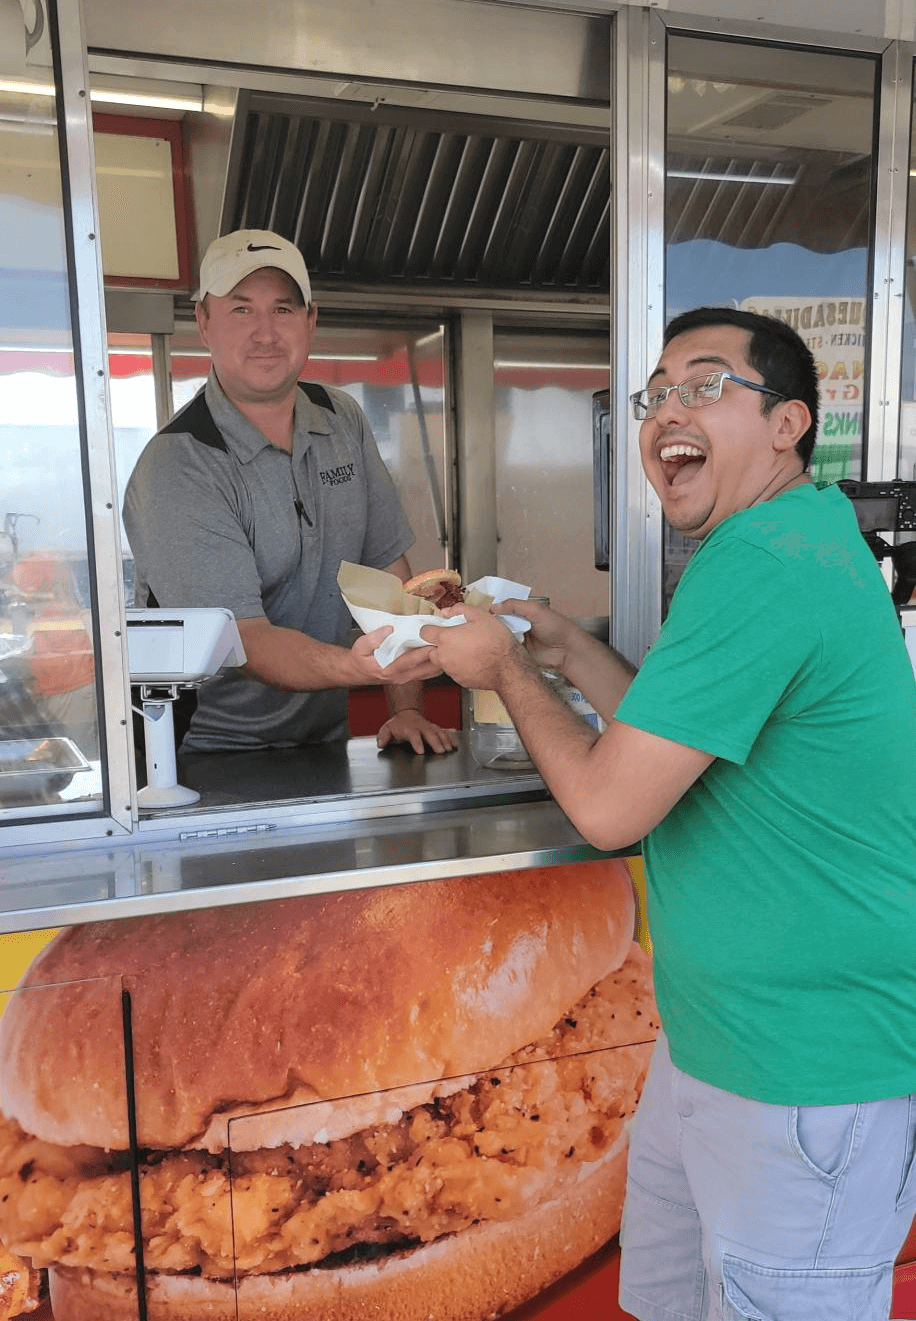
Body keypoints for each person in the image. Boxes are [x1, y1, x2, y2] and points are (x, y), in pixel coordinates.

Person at [421, 306, 916, 1321]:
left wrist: (503, 669)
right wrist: (562, 647)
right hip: (709, 1048)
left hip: (802, 1073)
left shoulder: (762, 564)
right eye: (653, 395)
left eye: (702, 385)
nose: (664, 414)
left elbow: (608, 805)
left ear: (787, 425)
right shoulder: (793, 533)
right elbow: (674, 728)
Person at [123, 229, 453, 755]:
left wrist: (407, 706)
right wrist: (353, 666)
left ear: (311, 320)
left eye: (282, 309)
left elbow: (389, 572)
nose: (265, 333)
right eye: (240, 310)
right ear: (203, 322)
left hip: (323, 745)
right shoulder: (179, 464)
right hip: (199, 756)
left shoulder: (341, 418)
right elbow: (245, 641)